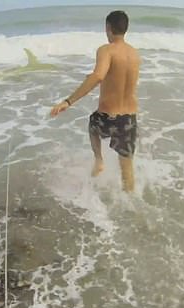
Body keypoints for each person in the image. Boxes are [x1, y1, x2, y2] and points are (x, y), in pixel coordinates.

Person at [50, 10, 140, 192]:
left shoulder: (106, 50)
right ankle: (130, 204)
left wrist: (68, 101)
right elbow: (116, 77)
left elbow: (99, 75)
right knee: (127, 169)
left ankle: (99, 160)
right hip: (129, 119)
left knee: (93, 124)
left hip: (109, 116)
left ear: (108, 28)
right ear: (125, 29)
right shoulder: (134, 54)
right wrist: (94, 77)